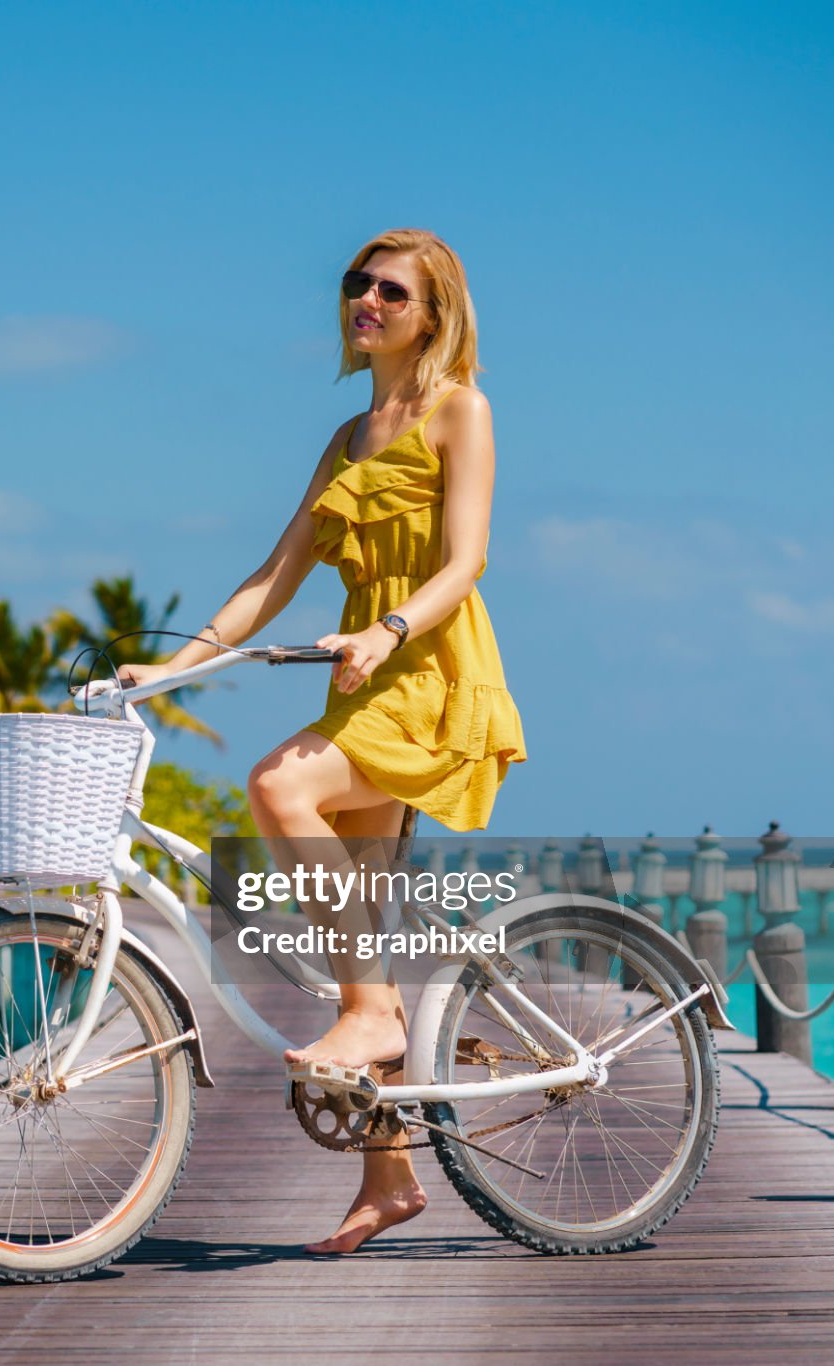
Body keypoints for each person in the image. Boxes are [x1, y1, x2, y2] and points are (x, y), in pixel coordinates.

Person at [116, 227, 527, 1255]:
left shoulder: (457, 410)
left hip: (427, 674)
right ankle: (388, 1177)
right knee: (363, 944)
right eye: (356, 285)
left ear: (430, 313)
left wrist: (386, 627)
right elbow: (270, 577)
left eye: (391, 290)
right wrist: (169, 670)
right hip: (360, 685)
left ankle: (372, 1015)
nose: (367, 301)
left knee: (274, 786)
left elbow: (464, 563)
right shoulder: (345, 438)